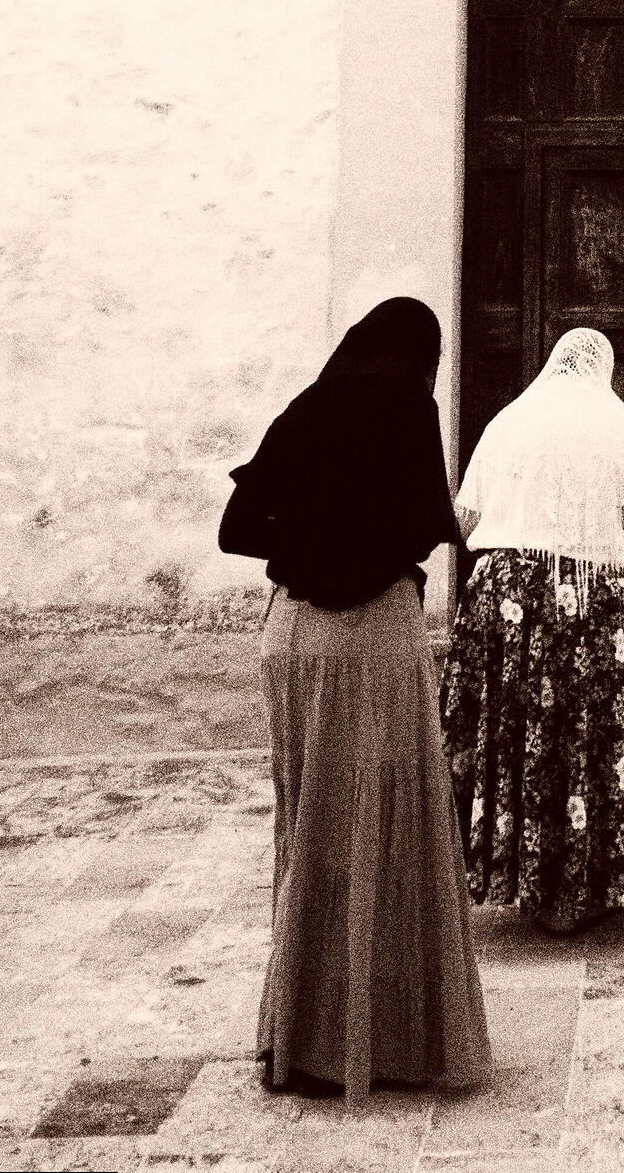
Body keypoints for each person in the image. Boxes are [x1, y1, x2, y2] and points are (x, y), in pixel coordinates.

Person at [218, 296, 490, 1104]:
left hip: (294, 640)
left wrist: (311, 534)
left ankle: (303, 1044)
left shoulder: (306, 407)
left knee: (312, 828)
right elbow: (423, 526)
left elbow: (239, 528)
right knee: (388, 825)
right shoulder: (408, 407)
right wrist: (361, 540)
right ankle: (387, 1041)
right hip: (371, 640)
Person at [440, 326, 624, 935]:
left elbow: (465, 516)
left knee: (520, 731)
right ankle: (578, 888)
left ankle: (518, 877)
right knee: (582, 732)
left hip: (505, 596)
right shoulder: (623, 425)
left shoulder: (507, 421)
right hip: (587, 598)